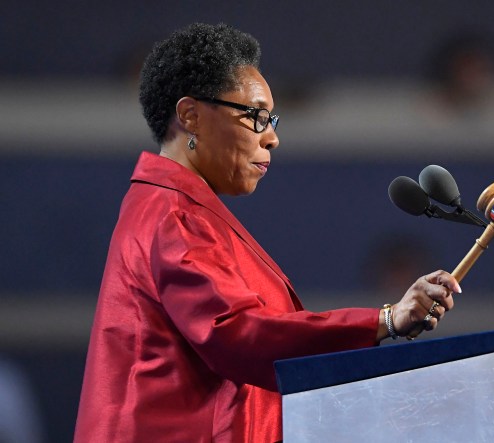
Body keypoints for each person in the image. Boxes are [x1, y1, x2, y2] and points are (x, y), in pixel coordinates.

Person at [73, 23, 460, 443]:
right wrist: (384, 320)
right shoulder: (172, 214)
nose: (272, 138)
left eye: (270, 119)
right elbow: (238, 335)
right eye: (256, 117)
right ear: (190, 116)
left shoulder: (176, 208)